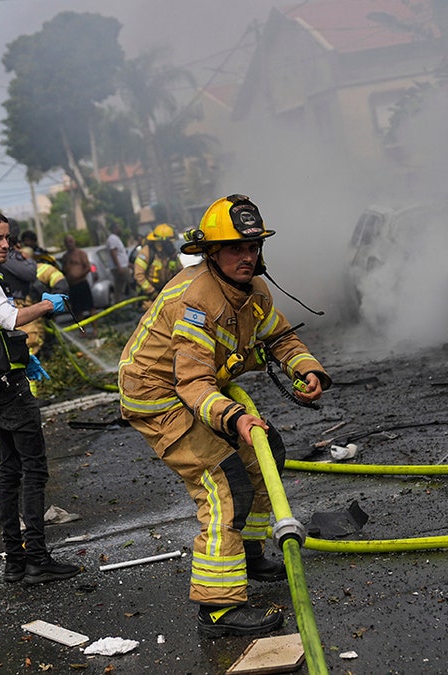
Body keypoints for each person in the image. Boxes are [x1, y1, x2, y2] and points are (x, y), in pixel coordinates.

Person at [117, 195, 330, 638]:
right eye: (236, 248)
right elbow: (192, 383)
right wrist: (236, 420)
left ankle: (248, 554)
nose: (247, 257)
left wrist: (307, 368)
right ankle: (217, 608)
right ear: (212, 252)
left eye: (252, 248)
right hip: (157, 396)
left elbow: (279, 336)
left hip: (196, 390)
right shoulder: (197, 300)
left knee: (265, 453)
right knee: (223, 483)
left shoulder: (253, 290)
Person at [0, 208, 81, 585]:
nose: (5, 244)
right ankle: (37, 558)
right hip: (8, 393)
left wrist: (21, 359)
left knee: (11, 472)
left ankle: (16, 561)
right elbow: (7, 318)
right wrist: (48, 304)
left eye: (7, 237)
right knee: (33, 470)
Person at [132, 223, 182, 304]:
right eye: (169, 242)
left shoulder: (170, 254)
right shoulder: (146, 252)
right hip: (149, 297)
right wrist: (152, 292)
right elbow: (139, 275)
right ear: (162, 242)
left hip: (166, 294)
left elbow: (181, 272)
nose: (171, 245)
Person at [60, 234, 94, 319]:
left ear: (74, 242)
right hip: (72, 286)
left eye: (71, 241)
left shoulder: (81, 253)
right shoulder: (65, 257)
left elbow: (87, 267)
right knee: (77, 311)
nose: (69, 244)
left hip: (82, 283)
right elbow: (64, 270)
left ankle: (95, 329)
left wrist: (78, 276)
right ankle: (83, 331)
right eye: (67, 242)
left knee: (90, 307)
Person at [105, 226, 132, 299]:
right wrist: (119, 266)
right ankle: (136, 304)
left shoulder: (115, 238)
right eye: (118, 227)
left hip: (121, 266)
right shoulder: (112, 238)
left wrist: (128, 264)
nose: (120, 229)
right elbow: (113, 252)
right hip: (120, 267)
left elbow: (120, 254)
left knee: (118, 288)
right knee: (131, 283)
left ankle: (117, 307)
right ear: (114, 229)